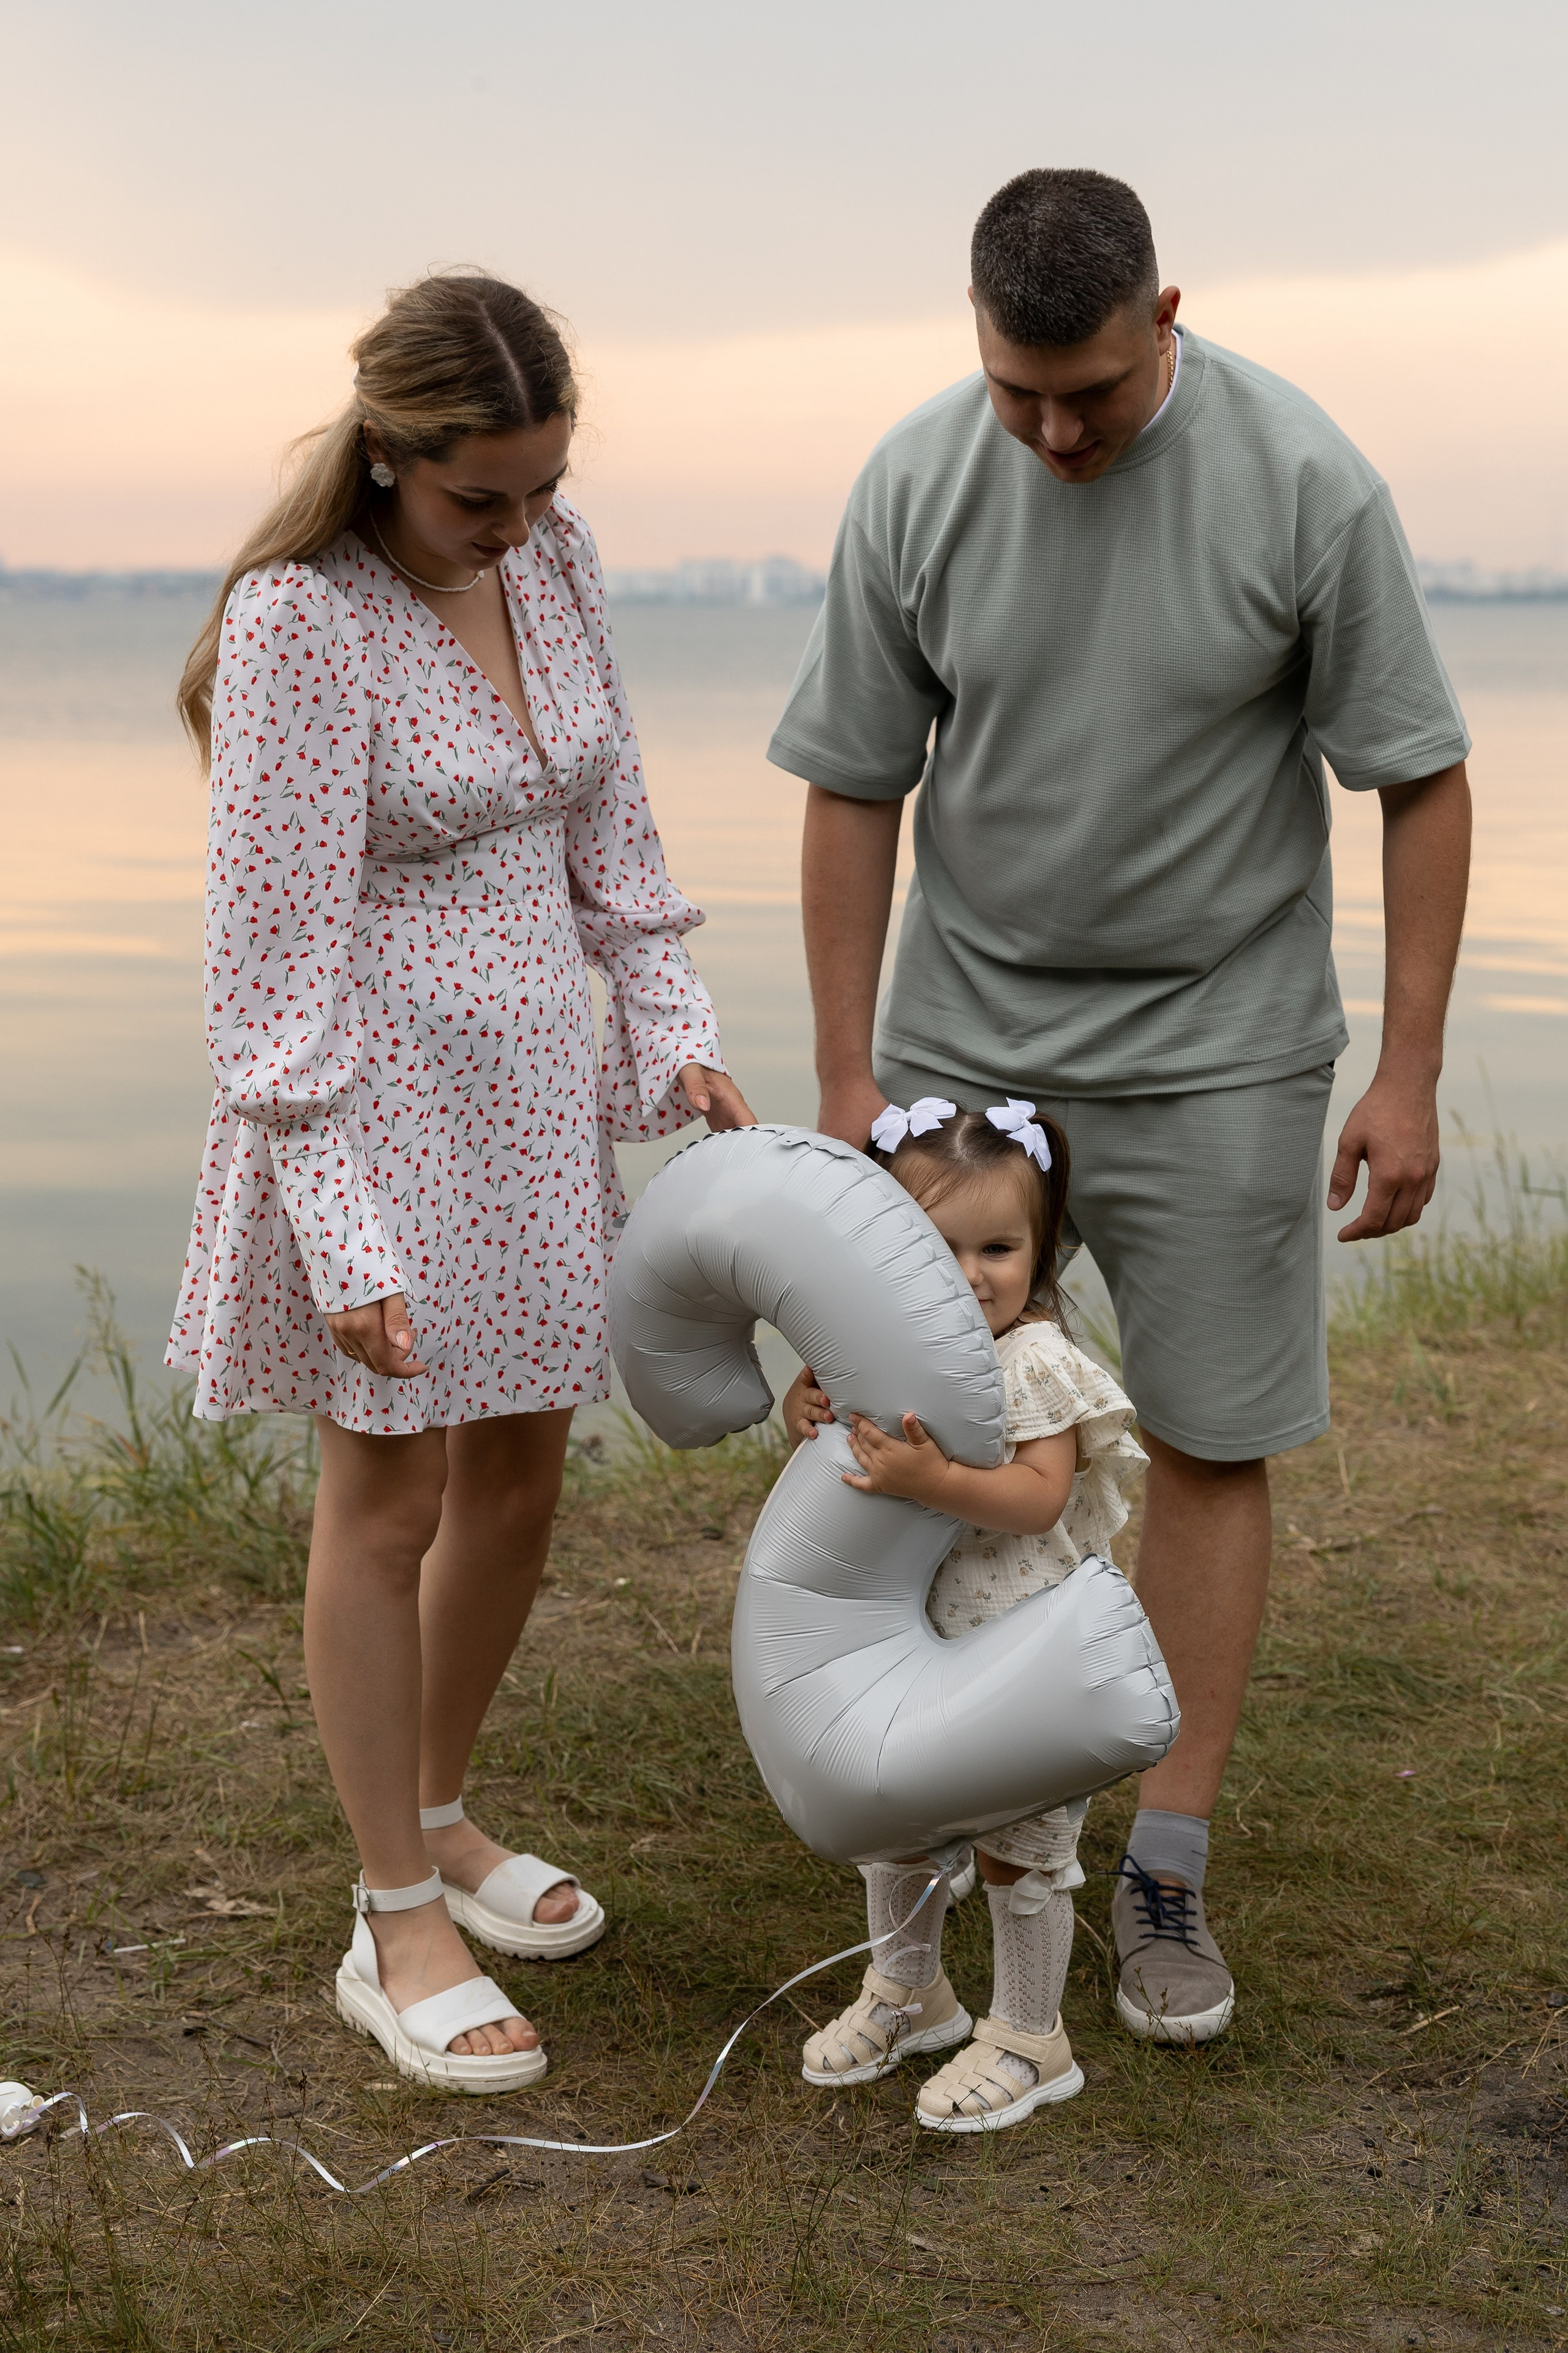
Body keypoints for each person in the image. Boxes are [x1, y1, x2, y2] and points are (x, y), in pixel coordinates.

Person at [768, 170, 1471, 2042]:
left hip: (1224, 1032)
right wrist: (853, 1073)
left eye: (1088, 388)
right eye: (1019, 392)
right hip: (969, 1025)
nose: (1055, 432)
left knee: (1214, 1433)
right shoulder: (919, 479)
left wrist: (1403, 1068)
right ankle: (930, 1811)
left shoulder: (1307, 481)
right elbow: (853, 782)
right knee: (917, 1410)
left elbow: (1420, 772)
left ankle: (1162, 1854)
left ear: (1168, 315)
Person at [168, 270, 754, 2093]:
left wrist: (675, 1027)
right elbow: (269, 967)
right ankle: (389, 1909)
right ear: (389, 458)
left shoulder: (556, 561)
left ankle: (439, 1805)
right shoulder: (298, 623)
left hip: (532, 1102)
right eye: (476, 500)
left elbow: (620, 836)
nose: (515, 528)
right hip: (372, 1101)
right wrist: (337, 1221)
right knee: (389, 1498)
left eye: (539, 489)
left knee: (520, 1472)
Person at [783, 1099, 1147, 2131]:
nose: (971, 1271)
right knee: (898, 1825)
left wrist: (936, 1477)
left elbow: (1036, 1496)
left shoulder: (1034, 1361)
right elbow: (834, 1466)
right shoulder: (881, 1354)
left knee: (1017, 1847)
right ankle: (912, 1994)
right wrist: (801, 1409)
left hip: (1019, 1653)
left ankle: (1035, 2039)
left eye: (999, 1246)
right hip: (914, 1639)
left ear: (1040, 1255)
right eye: (938, 1246)